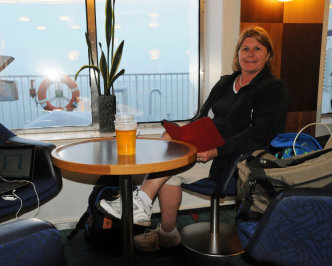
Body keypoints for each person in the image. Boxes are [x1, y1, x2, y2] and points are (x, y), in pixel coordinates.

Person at [99, 26, 289, 251]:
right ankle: (165, 231)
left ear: (268, 55)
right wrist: (182, 131)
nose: (250, 54)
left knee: (170, 165)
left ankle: (142, 201)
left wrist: (216, 151)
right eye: (245, 48)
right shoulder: (226, 82)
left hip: (236, 159)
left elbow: (258, 135)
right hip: (207, 147)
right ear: (237, 54)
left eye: (257, 48)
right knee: (169, 152)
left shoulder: (273, 88)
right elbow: (203, 116)